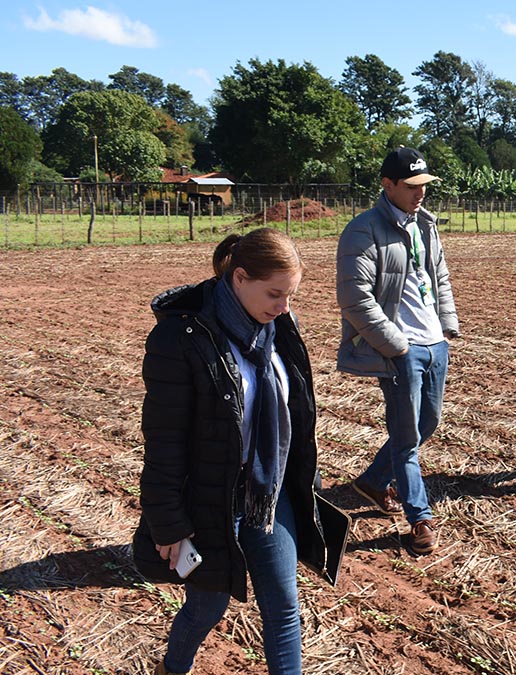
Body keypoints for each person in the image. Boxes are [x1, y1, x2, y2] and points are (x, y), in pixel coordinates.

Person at [133, 228, 327, 675]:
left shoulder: (279, 327)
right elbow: (163, 442)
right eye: (275, 294)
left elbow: (295, 410)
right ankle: (172, 668)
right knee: (208, 605)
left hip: (266, 496)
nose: (283, 306)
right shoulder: (179, 340)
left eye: (290, 295)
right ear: (239, 278)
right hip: (208, 502)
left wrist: (304, 475)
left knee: (283, 606)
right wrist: (168, 524)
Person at [336, 146, 459, 555]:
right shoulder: (363, 230)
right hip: (401, 349)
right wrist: (397, 346)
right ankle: (419, 517)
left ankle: (372, 481)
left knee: (429, 423)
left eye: (425, 184)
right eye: (411, 186)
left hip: (434, 343)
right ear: (387, 185)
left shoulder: (426, 225)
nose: (420, 193)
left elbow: (438, 275)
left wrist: (446, 327)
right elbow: (355, 297)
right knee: (406, 438)